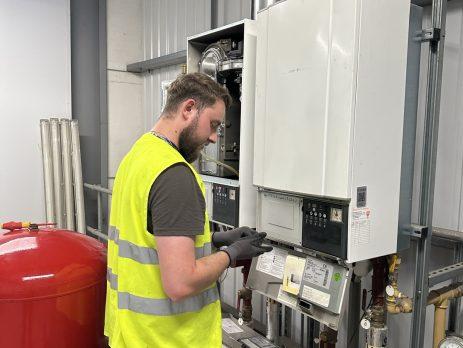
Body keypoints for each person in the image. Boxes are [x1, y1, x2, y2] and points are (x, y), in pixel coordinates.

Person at [104, 72, 272, 348]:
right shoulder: (175, 175)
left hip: (132, 333)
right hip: (168, 339)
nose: (215, 138)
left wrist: (217, 239)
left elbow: (148, 235)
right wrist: (231, 255)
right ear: (189, 109)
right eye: (213, 124)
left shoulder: (139, 155)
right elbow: (180, 283)